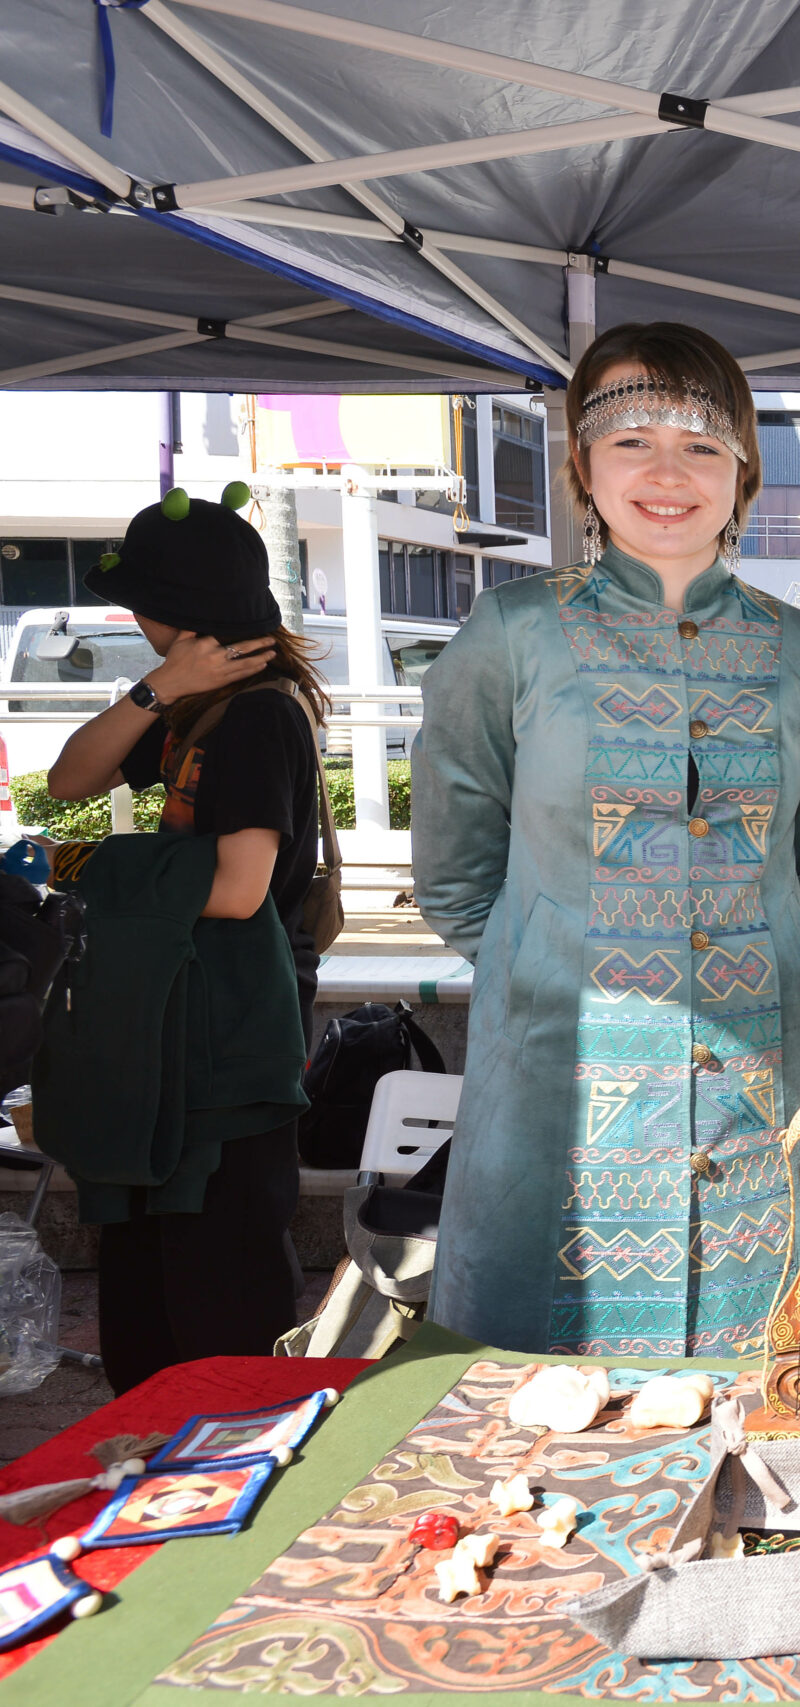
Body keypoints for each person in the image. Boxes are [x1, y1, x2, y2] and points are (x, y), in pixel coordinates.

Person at [414, 321, 800, 1358]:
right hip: (555, 1098)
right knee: (539, 1435)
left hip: (760, 1097)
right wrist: (547, 966)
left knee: (778, 1413)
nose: (668, 472)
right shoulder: (512, 632)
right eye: (631, 441)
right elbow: (454, 863)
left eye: (702, 444)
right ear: (581, 465)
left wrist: (769, 956)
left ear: (743, 472)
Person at [42, 483, 327, 1390]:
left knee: (221, 1294)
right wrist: (157, 689)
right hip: (176, 1034)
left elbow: (240, 889)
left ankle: (239, 1475)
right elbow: (69, 776)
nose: (131, 615)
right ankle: (156, 1470)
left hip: (229, 1050)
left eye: (140, 602)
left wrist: (88, 867)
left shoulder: (259, 715)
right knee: (148, 1286)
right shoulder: (198, 704)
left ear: (180, 609)